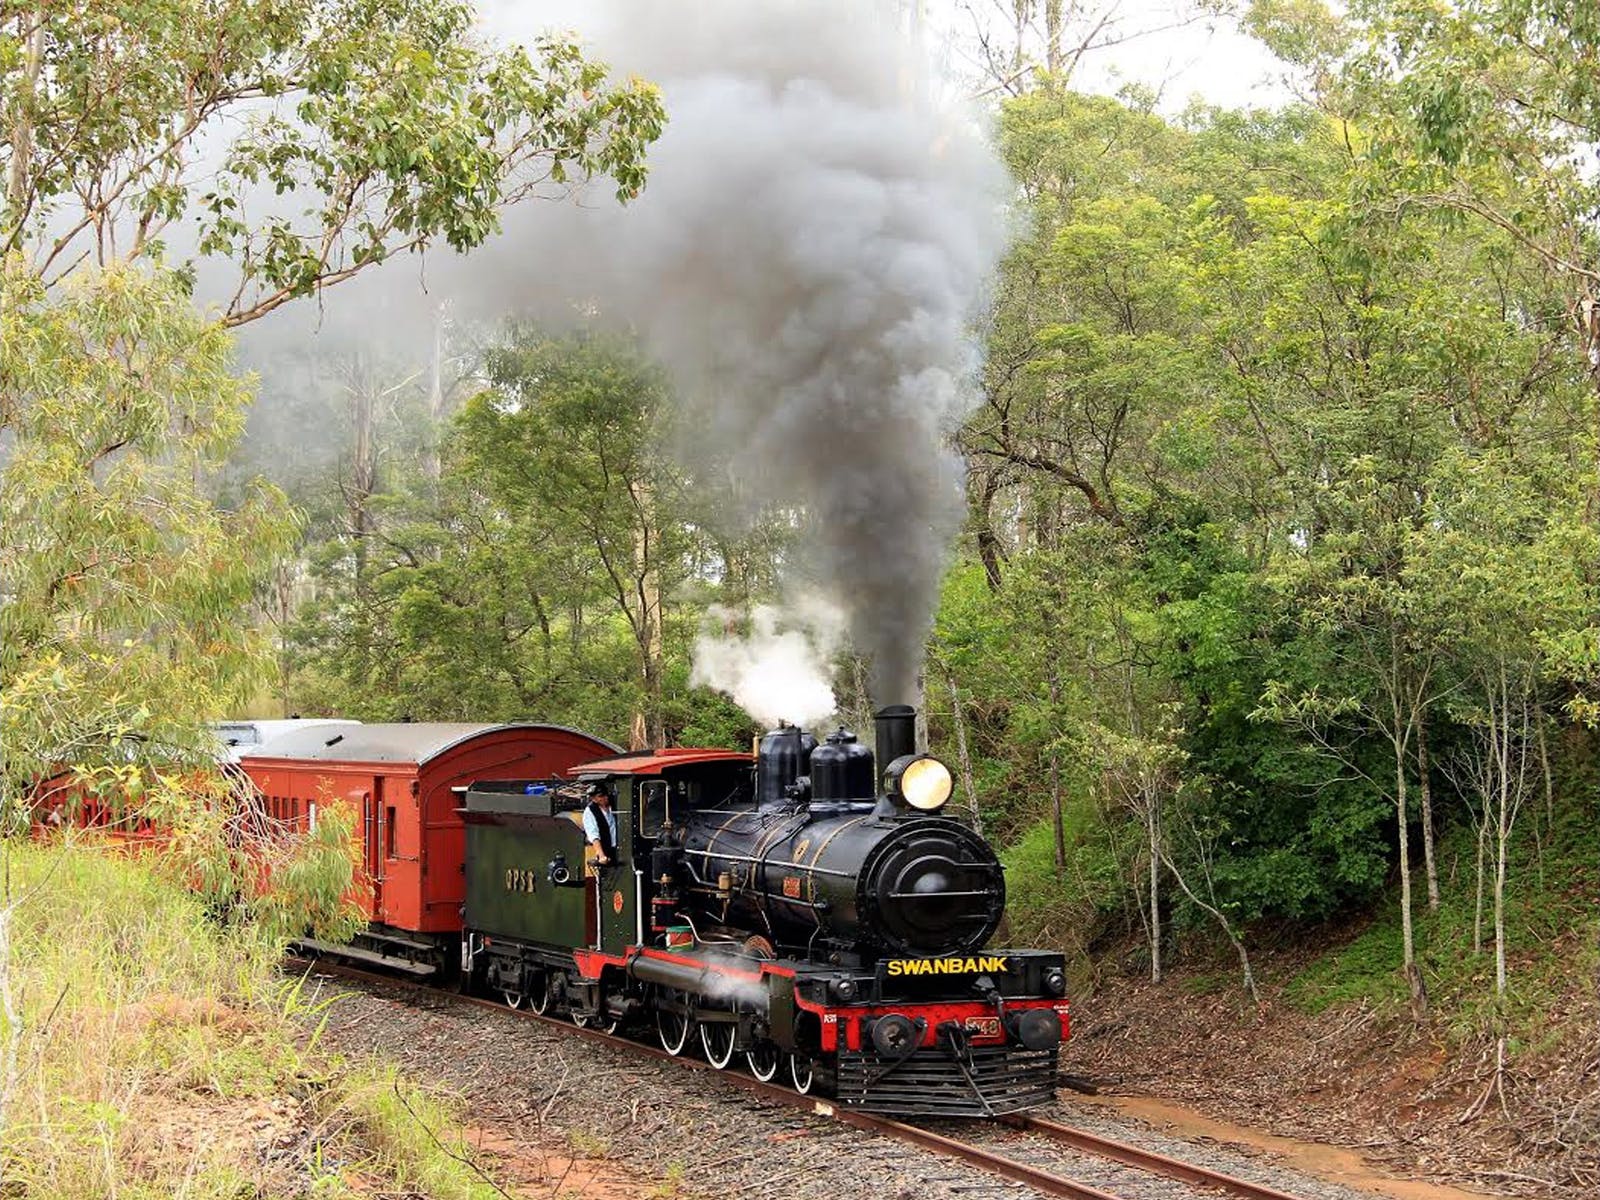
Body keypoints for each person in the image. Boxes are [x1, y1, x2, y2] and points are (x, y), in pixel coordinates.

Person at [582, 783, 618, 869]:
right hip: (607, 850)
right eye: (600, 796)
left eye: (605, 795)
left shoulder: (614, 805)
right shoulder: (590, 811)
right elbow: (593, 835)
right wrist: (601, 855)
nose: (605, 798)